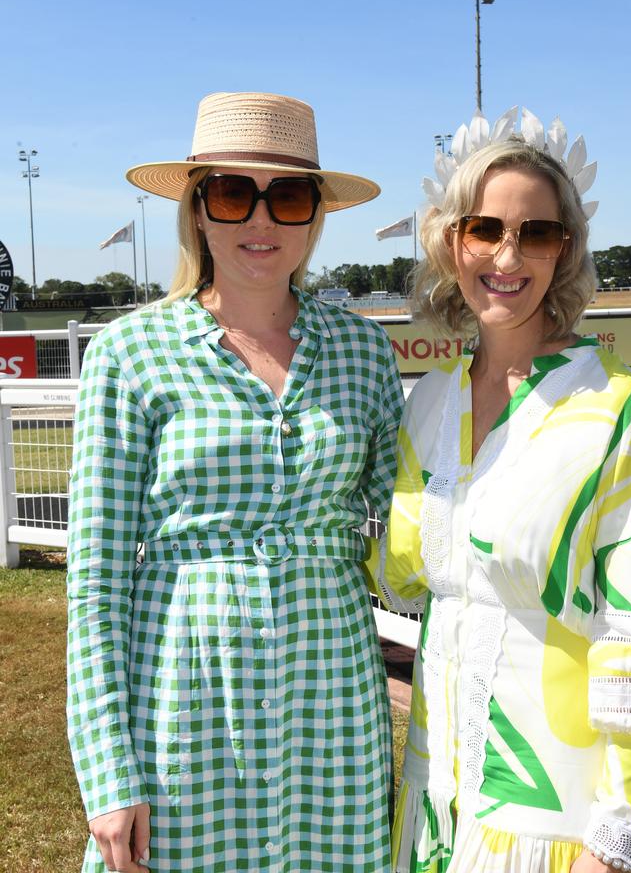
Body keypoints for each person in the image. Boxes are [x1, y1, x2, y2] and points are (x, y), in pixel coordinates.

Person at [66, 92, 404, 873]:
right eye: (231, 193)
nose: (259, 222)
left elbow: (413, 529)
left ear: (314, 215)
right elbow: (95, 583)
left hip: (334, 698)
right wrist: (109, 775)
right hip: (183, 698)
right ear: (198, 210)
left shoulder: (361, 354)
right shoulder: (131, 353)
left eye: (286, 196)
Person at [376, 107, 631, 873]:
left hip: (552, 821)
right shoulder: (429, 401)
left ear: (566, 250)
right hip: (431, 806)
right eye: (485, 228)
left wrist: (617, 838)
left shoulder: (615, 407)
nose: (507, 255)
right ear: (452, 242)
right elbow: (401, 577)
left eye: (536, 233)